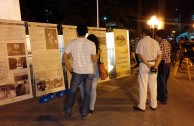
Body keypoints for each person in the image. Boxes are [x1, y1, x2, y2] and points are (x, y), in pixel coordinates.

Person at [63, 23, 97, 120]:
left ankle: (68, 111)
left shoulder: (72, 43)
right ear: (86, 32)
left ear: (77, 32)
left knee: (72, 92)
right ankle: (84, 114)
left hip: (77, 72)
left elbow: (65, 57)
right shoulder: (91, 44)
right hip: (89, 72)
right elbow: (94, 60)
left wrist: (70, 69)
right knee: (87, 93)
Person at [134, 28, 162, 111]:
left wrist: (147, 64)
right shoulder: (155, 42)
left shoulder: (141, 41)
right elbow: (160, 56)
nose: (140, 36)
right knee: (153, 85)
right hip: (154, 64)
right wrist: (155, 65)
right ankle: (154, 105)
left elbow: (140, 55)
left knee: (143, 85)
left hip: (144, 65)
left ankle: (142, 106)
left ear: (143, 34)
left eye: (141, 34)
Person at [80, 34, 102, 114]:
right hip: (90, 72)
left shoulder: (96, 50)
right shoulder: (95, 49)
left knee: (88, 89)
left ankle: (90, 106)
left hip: (90, 72)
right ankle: (89, 106)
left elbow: (95, 60)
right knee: (90, 89)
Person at [155, 29, 171, 104]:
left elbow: (160, 55)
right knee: (164, 81)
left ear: (159, 36)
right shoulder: (167, 42)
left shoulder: (161, 44)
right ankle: (164, 94)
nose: (155, 37)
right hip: (168, 63)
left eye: (156, 36)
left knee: (160, 81)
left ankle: (162, 98)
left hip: (162, 63)